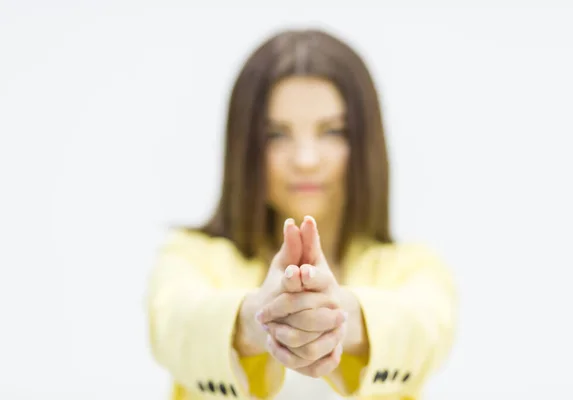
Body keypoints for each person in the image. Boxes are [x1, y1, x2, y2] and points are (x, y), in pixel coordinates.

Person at [146, 28, 458, 400]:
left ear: (363, 143)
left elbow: (425, 329)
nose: (306, 160)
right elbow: (175, 322)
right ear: (245, 146)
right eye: (276, 135)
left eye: (333, 132)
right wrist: (256, 319)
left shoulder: (414, 267)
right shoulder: (190, 257)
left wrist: (337, 317)